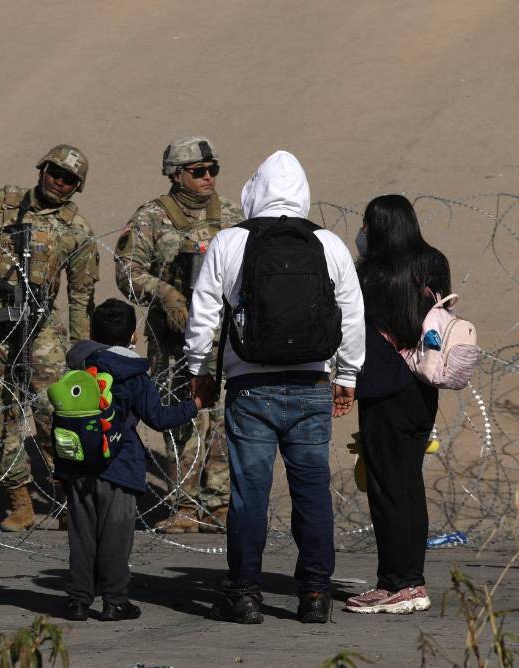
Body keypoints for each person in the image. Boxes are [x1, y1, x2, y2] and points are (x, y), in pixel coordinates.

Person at [184, 150, 364, 625]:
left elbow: (205, 313)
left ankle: (243, 592)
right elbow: (350, 312)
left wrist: (200, 370)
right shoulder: (328, 243)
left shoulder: (229, 241)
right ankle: (315, 595)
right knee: (311, 491)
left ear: (255, 190)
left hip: (251, 387)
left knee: (249, 493)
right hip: (311, 386)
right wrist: (347, 375)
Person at [0, 145, 100, 531]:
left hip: (42, 326)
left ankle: (70, 496)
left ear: (77, 187)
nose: (58, 182)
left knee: (55, 412)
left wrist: (81, 351)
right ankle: (18, 498)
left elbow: (81, 296)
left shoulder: (77, 230)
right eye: (54, 172)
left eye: (68, 179)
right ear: (42, 169)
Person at [115, 137, 244, 532]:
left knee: (225, 418)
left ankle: (219, 504)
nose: (208, 178)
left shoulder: (234, 215)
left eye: (212, 170)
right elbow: (127, 273)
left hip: (228, 337)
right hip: (173, 340)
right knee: (183, 418)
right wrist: (165, 292)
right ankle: (184, 504)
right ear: (175, 174)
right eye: (198, 171)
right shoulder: (152, 217)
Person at [61, 299, 202, 621]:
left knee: (82, 536)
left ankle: (79, 600)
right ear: (133, 336)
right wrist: (194, 404)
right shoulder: (134, 374)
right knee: (116, 537)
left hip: (78, 463)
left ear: (93, 333)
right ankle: (115, 601)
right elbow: (159, 418)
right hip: (120, 465)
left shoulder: (80, 365)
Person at [346, 196, 446, 614]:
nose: (363, 232)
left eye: (367, 225)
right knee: (408, 485)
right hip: (422, 384)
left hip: (383, 389)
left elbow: (353, 326)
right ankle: (412, 581)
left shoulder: (371, 274)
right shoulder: (433, 262)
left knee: (388, 489)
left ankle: (396, 583)